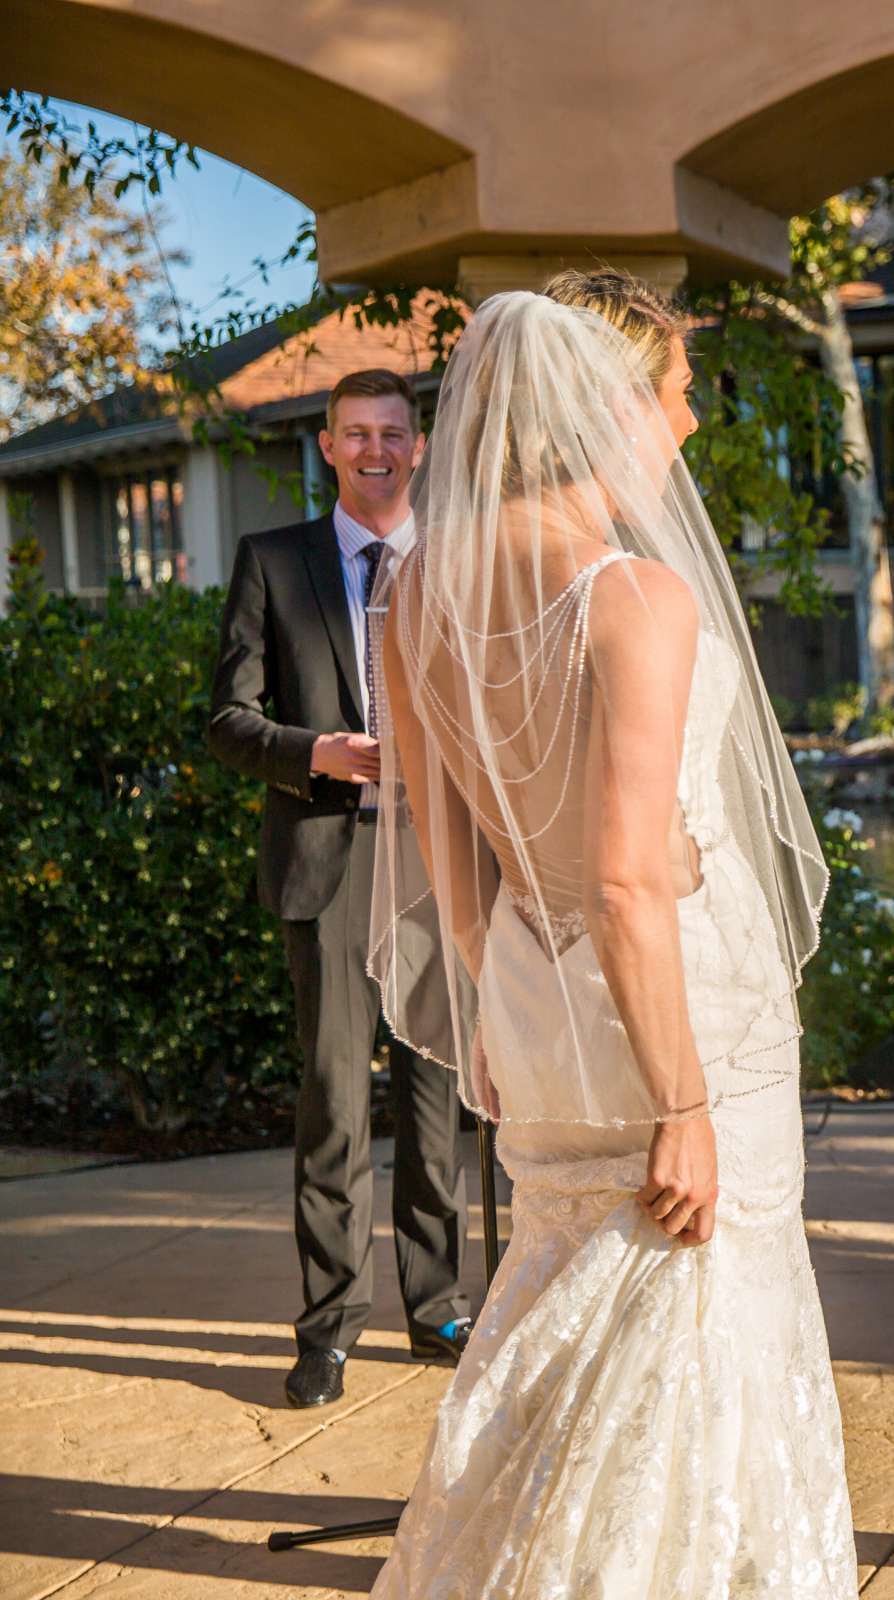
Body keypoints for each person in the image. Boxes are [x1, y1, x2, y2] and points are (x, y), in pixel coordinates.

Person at [361, 271, 856, 1593]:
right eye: (682, 393)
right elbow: (635, 881)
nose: (689, 425)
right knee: (710, 1323)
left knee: (559, 1307)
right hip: (677, 1010)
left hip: (536, 990)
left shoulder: (416, 599)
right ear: (613, 404)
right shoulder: (634, 596)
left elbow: (446, 846)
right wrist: (683, 1101)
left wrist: (499, 1004)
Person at [206, 368, 470, 1410]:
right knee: (331, 1106)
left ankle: (439, 1305)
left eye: (393, 433)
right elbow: (225, 720)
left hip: (441, 862)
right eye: (357, 433)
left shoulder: (458, 562)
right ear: (327, 445)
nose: (377, 450)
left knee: (437, 1100)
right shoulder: (272, 562)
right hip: (330, 861)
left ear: (416, 443)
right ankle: (328, 1329)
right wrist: (314, 750)